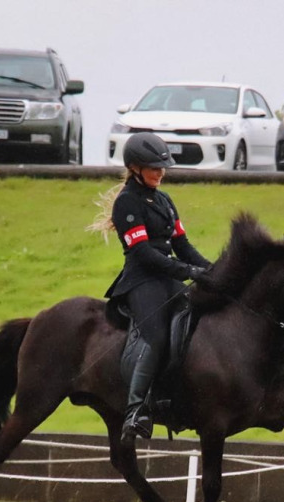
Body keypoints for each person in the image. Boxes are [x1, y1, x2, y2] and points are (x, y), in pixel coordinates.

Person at [103, 132, 214, 446]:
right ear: (135, 167)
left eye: (163, 167)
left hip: (167, 277)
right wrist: (186, 270)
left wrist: (210, 269)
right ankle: (135, 411)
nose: (161, 172)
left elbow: (182, 244)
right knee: (158, 335)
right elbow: (143, 254)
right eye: (154, 167)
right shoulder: (127, 201)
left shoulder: (164, 200)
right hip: (141, 281)